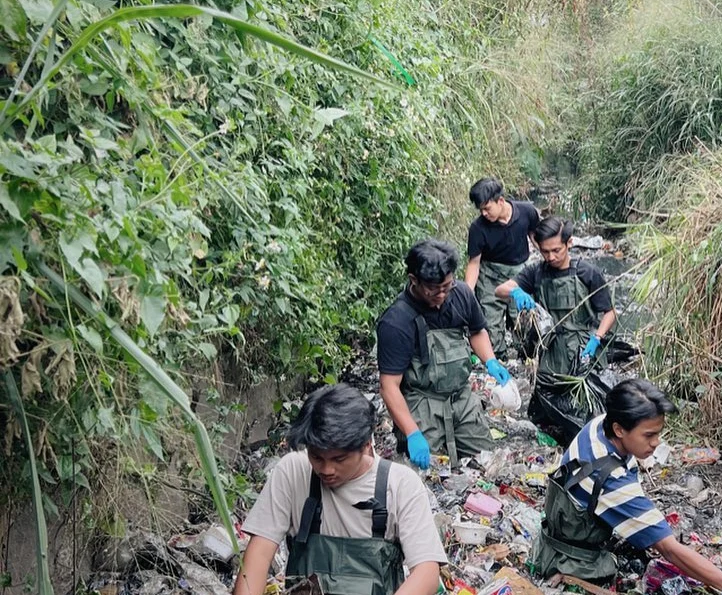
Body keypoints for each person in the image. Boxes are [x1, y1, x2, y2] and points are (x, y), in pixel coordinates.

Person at [529, 379, 722, 595]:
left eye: (658, 432)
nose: (656, 442)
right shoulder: (611, 480)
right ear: (619, 429)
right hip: (572, 560)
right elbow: (669, 549)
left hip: (557, 532)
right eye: (649, 435)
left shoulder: (599, 425)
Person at [233, 384, 446, 595]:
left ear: (366, 445)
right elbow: (258, 556)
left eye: (339, 459)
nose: (326, 470)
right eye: (316, 457)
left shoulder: (400, 484)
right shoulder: (293, 471)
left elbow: (426, 573)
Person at [377, 239, 511, 470]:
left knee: (489, 463)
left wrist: (490, 360)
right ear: (414, 281)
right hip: (421, 402)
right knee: (423, 473)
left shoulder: (461, 295)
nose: (441, 295)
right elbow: (389, 385)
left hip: (461, 397)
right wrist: (412, 433)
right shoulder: (396, 321)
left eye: (446, 286)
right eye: (433, 289)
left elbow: (477, 331)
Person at [494, 216, 616, 440]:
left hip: (582, 349)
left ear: (569, 243)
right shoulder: (536, 272)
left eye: (556, 250)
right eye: (545, 252)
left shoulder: (587, 273)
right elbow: (499, 290)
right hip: (550, 349)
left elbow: (609, 313)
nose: (550, 257)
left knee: (588, 410)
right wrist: (516, 292)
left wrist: (597, 338)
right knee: (543, 416)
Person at [464, 178, 540, 358]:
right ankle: (498, 358)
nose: (483, 213)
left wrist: (552, 263)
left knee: (522, 318)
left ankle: (524, 358)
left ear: (500, 201)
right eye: (480, 209)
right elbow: (474, 263)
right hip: (490, 276)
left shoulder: (527, 212)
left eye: (486, 208)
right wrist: (466, 293)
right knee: (490, 322)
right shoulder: (478, 228)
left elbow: (537, 239)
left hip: (519, 274)